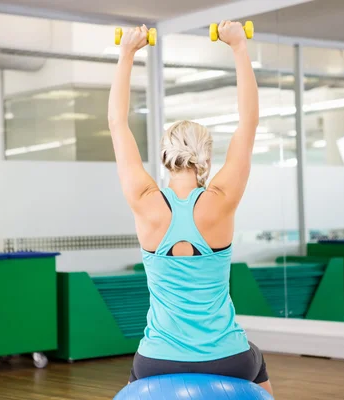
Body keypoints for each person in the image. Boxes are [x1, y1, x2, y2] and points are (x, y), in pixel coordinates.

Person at [107, 21, 272, 396]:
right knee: (257, 360)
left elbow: (117, 123)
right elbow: (249, 122)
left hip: (157, 358)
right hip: (227, 357)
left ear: (164, 158)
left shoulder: (145, 201)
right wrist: (239, 46)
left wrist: (127, 53)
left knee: (134, 382)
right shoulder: (221, 199)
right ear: (207, 160)